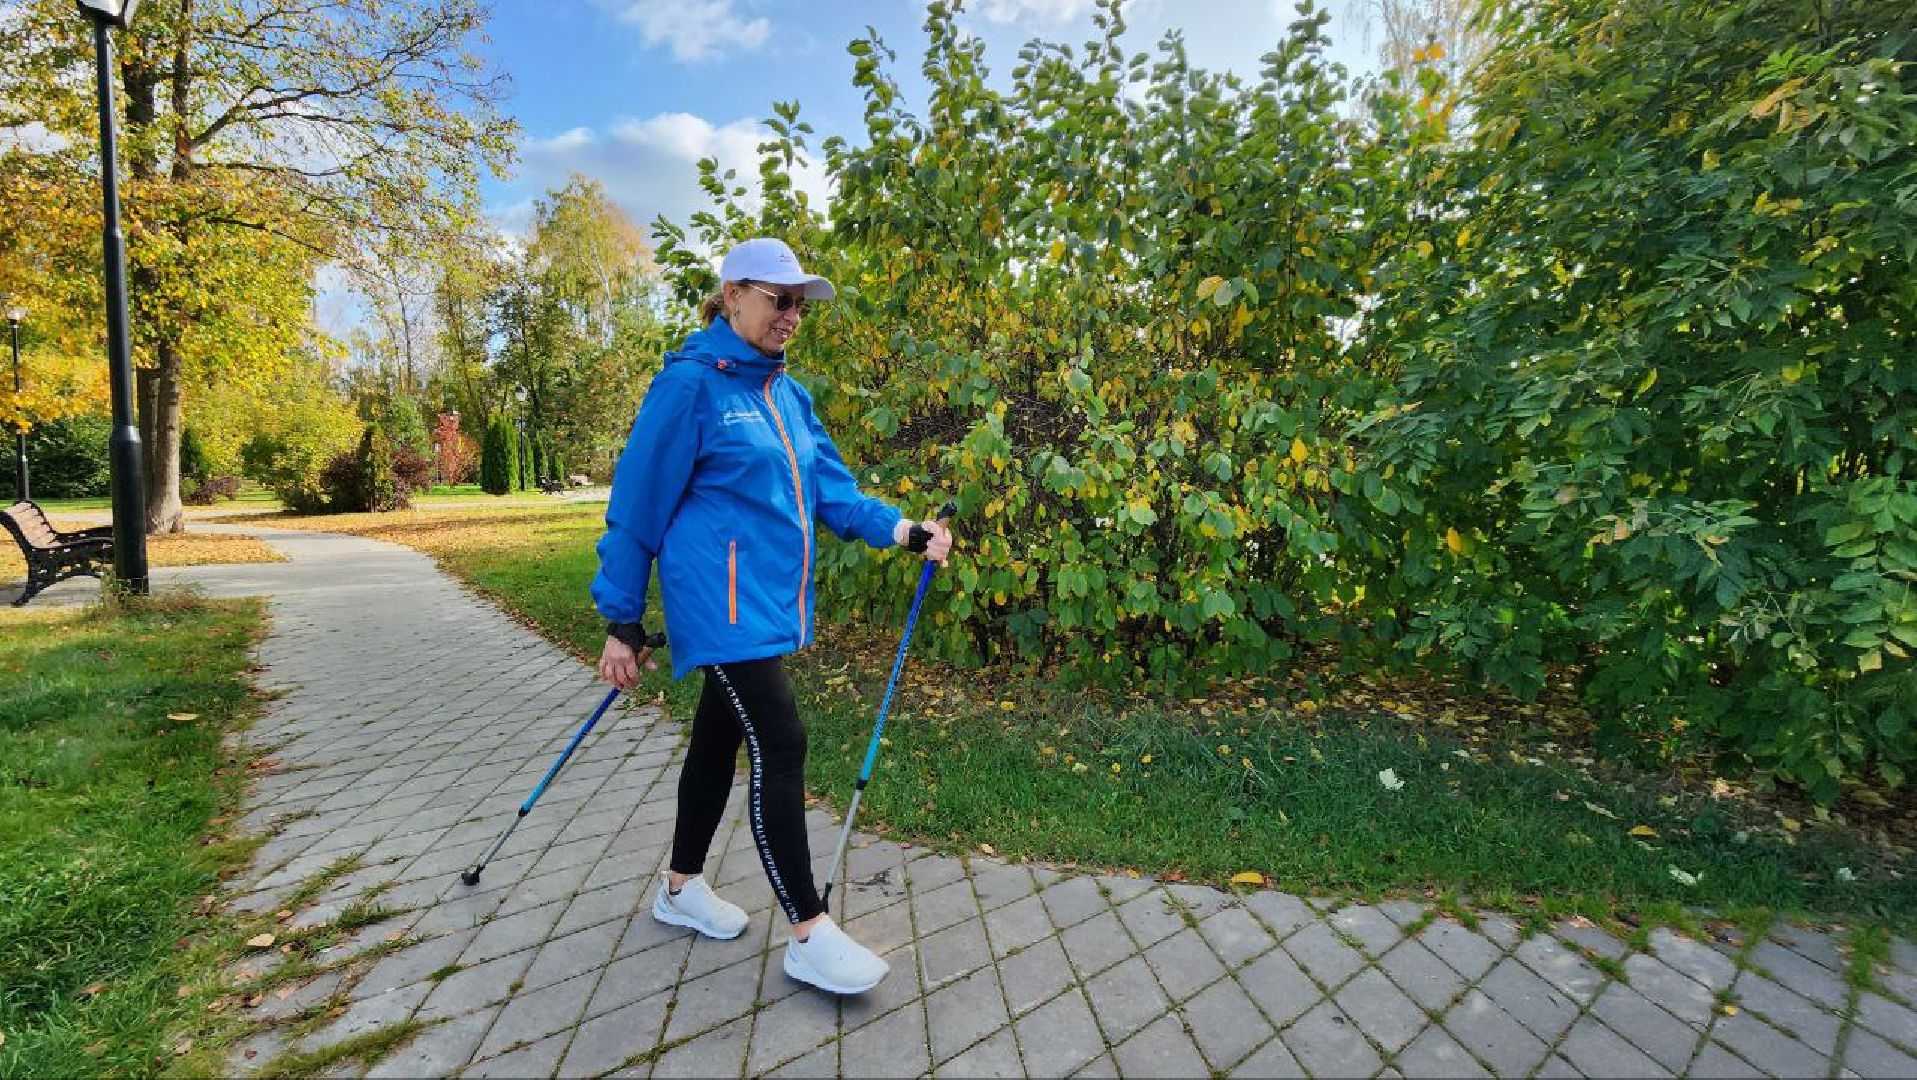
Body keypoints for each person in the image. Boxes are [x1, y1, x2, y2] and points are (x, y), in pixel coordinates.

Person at [591, 237, 953, 995]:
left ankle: (681, 890)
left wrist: (902, 529)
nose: (791, 315)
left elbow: (833, 490)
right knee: (782, 741)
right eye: (777, 298)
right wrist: (620, 620)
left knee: (719, 738)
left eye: (799, 304)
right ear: (731, 295)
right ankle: (807, 929)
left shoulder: (787, 394)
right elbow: (635, 506)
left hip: (758, 603)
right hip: (713, 603)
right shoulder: (690, 386)